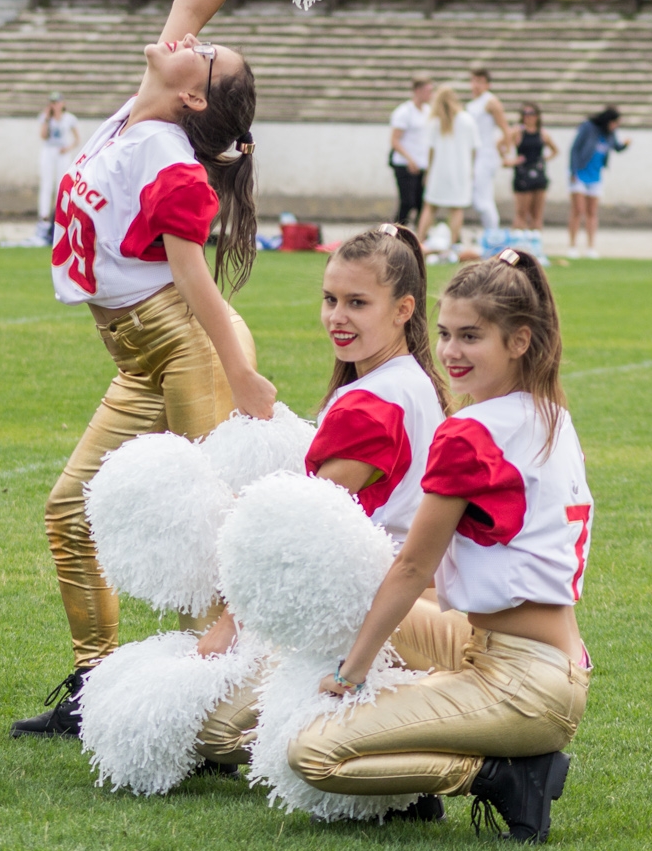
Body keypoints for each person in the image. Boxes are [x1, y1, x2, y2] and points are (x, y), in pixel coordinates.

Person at [9, 0, 288, 739]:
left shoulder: (172, 163)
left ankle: (234, 698)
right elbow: (195, 0)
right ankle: (96, 687)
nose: (189, 40)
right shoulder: (145, 107)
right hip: (139, 353)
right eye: (198, 43)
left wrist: (242, 374)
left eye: (204, 56)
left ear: (196, 98)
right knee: (70, 510)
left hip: (186, 345)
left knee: (214, 530)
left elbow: (196, 283)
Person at [291, 249, 592, 841]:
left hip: (522, 683)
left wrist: (351, 674)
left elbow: (412, 567)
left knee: (312, 753)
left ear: (520, 341)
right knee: (352, 607)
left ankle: (500, 776)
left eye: (471, 337)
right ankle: (430, 743)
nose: (451, 351)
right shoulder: (551, 413)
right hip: (540, 657)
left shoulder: (471, 433)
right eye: (446, 333)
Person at [191, 226, 464, 781]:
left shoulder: (373, 403)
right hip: (408, 602)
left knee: (210, 728)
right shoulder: (411, 378)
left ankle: (395, 734)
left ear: (403, 309)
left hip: (374, 610)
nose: (337, 316)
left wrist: (231, 623)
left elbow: (298, 525)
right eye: (330, 299)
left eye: (357, 303)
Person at [567, 106, 629, 258]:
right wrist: (573, 171)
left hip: (595, 175)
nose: (616, 126)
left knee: (592, 211)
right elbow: (575, 149)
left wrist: (625, 145)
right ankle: (572, 246)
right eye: (615, 123)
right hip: (580, 172)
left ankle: (590, 247)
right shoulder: (588, 127)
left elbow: (616, 147)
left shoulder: (610, 133)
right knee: (578, 210)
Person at [417, 85, 475, 245]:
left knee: (430, 207)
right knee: (456, 209)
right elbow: (474, 148)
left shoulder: (435, 121)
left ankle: (420, 241)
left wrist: (428, 172)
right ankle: (452, 244)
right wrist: (471, 168)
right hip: (460, 171)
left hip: (439, 171)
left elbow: (430, 151)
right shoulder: (467, 120)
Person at [466, 67, 509, 234]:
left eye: (480, 82)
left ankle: (493, 232)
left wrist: (504, 153)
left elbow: (505, 129)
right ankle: (490, 231)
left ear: (487, 84)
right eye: (474, 81)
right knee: (478, 197)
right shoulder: (472, 104)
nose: (476, 85)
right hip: (474, 155)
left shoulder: (490, 101)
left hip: (486, 154)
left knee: (482, 199)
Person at [502, 102, 558, 230]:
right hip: (523, 174)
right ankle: (518, 238)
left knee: (537, 215)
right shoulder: (517, 132)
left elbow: (555, 150)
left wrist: (545, 159)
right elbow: (500, 145)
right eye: (525, 114)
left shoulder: (542, 134)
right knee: (521, 213)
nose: (528, 117)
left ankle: (535, 238)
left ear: (537, 116)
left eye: (531, 113)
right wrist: (511, 160)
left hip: (538, 173)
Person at [37, 92, 82, 245]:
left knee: (61, 184)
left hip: (62, 152)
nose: (55, 105)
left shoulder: (69, 118)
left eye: (57, 102)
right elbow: (43, 136)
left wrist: (67, 148)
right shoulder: (46, 118)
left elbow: (77, 139)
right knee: (46, 183)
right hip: (49, 150)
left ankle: (59, 213)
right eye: (53, 102)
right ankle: (44, 214)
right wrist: (46, 119)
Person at [389, 73, 434, 228]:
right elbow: (395, 140)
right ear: (417, 91)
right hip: (405, 164)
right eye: (428, 91)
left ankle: (419, 233)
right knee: (407, 202)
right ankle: (395, 231)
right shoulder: (404, 112)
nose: (430, 94)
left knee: (421, 202)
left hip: (421, 164)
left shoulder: (428, 111)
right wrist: (409, 159)